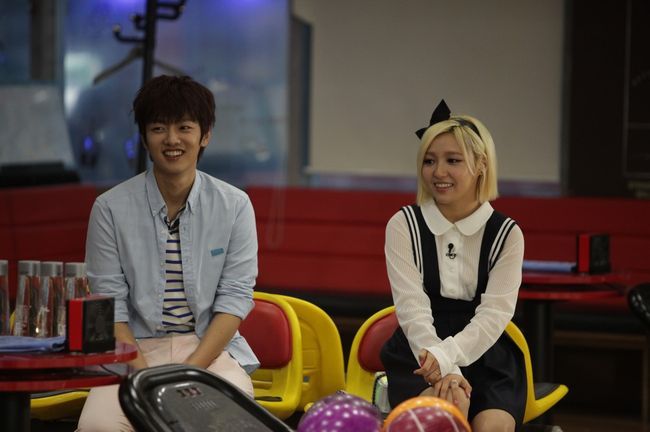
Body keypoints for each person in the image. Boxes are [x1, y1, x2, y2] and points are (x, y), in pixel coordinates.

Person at [77, 75, 259, 431]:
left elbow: (235, 298)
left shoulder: (235, 206)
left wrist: (190, 371)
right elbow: (108, 306)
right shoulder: (110, 208)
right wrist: (144, 379)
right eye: (159, 128)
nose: (172, 139)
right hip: (133, 351)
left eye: (184, 127)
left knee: (227, 424)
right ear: (145, 137)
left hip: (208, 350)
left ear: (205, 135)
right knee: (99, 426)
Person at [380, 100, 525, 432]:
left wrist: (449, 358)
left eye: (453, 160)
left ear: (481, 164)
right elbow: (412, 309)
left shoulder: (507, 233)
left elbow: (495, 314)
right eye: (429, 161)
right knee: (443, 413)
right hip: (419, 351)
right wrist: (444, 369)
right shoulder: (403, 225)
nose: (438, 172)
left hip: (487, 353)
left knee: (494, 426)